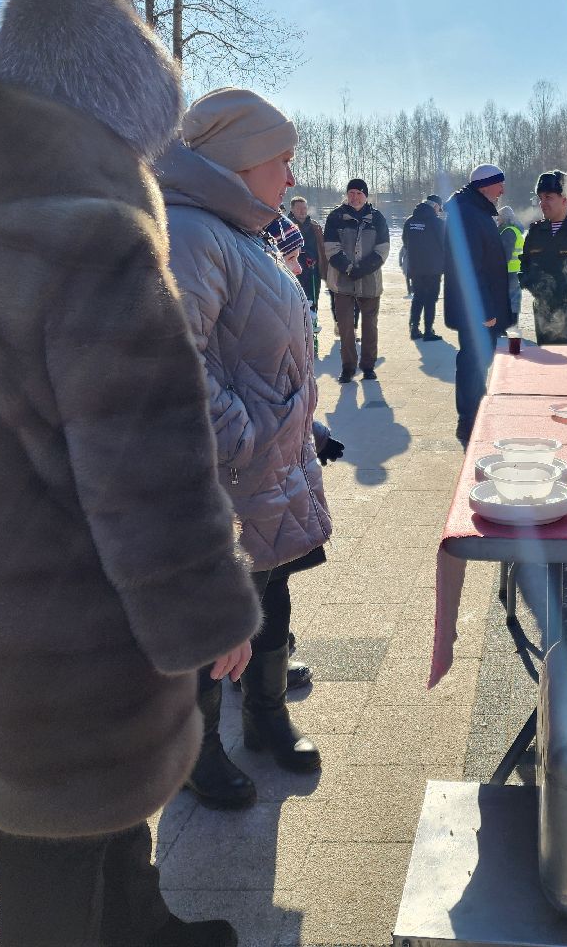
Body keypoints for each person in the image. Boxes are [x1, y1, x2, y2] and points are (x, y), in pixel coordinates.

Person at [0, 0, 262, 947]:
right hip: (74, 621)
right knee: (52, 869)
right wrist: (207, 616)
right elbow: (148, 472)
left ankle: (139, 921)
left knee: (59, 815)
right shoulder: (100, 241)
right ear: (110, 119)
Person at [159, 87, 338, 799]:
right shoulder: (192, 234)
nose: (291, 178)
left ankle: (265, 719)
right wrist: (256, 431)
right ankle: (197, 754)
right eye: (283, 161)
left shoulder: (237, 229)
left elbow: (264, 351)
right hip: (233, 475)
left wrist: (300, 423)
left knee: (271, 596)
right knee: (219, 616)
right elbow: (176, 368)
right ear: (238, 162)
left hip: (269, 468)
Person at [444, 164, 512, 445]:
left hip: (479, 309)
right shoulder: (470, 214)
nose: (502, 191)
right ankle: (469, 421)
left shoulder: (475, 210)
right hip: (477, 311)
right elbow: (470, 267)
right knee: (472, 363)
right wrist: (483, 310)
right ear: (486, 186)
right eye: (499, 185)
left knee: (477, 362)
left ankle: (475, 413)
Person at [324, 179, 390, 382]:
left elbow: (383, 249)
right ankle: (348, 367)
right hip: (342, 282)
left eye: (358, 193)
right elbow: (331, 247)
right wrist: (349, 268)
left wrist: (363, 269)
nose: (354, 197)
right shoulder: (336, 217)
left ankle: (368, 366)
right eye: (350, 192)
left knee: (370, 326)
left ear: (366, 195)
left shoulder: (377, 218)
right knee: (345, 327)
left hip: (370, 282)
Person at [521, 169, 567, 345]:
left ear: (565, 199)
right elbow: (525, 264)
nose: (542, 203)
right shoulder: (535, 232)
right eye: (540, 198)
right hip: (542, 311)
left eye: (548, 197)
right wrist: (531, 282)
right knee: (546, 365)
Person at [403, 193, 446, 341]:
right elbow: (445, 245)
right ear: (435, 206)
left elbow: (405, 242)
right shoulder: (438, 223)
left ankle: (414, 329)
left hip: (415, 267)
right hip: (433, 269)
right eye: (439, 208)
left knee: (418, 297)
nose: (438, 211)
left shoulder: (409, 221)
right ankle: (428, 330)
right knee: (430, 299)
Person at [288, 195, 328, 313]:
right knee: (295, 302)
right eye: (299, 208)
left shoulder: (315, 226)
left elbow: (321, 247)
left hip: (313, 270)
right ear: (292, 210)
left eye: (304, 208)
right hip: (294, 271)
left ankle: (312, 325)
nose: (302, 211)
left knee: (312, 300)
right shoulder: (286, 226)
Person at [497, 204, 527, 327]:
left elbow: (506, 253)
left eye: (499, 217)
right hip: (516, 269)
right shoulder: (515, 230)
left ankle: (506, 324)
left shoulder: (508, 231)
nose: (498, 219)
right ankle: (512, 323)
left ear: (504, 217)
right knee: (513, 298)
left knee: (505, 298)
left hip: (508, 270)